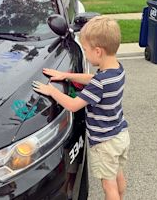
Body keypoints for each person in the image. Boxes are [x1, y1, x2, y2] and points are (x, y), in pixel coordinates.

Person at [32, 16, 130, 200]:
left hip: (105, 143)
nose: (85, 53)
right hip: (120, 136)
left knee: (109, 187)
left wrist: (52, 91)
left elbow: (73, 104)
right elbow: (91, 79)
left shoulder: (100, 83)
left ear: (98, 51)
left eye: (86, 50)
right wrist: (66, 76)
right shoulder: (116, 70)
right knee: (118, 176)